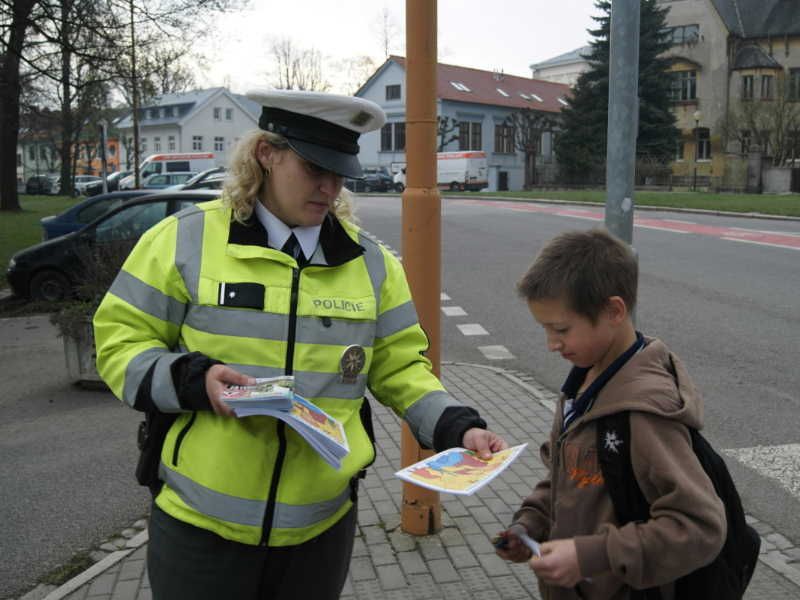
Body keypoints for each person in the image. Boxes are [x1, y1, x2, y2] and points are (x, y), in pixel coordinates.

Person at [93, 89, 507, 600]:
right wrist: (191, 380)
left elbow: (401, 369)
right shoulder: (183, 240)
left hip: (320, 532)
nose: (329, 187)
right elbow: (119, 342)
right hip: (199, 526)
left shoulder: (373, 264)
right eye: (315, 168)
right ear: (266, 153)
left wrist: (456, 426)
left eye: (340, 173)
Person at [495, 229, 726, 600]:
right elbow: (568, 475)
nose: (551, 344)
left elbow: (701, 527)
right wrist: (530, 523)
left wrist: (591, 556)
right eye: (544, 329)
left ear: (614, 311)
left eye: (561, 329)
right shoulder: (585, 382)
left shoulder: (644, 413)